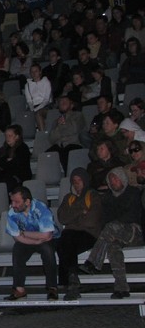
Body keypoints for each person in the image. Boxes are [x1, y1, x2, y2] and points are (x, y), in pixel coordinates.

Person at [79, 168, 143, 298]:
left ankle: (93, 261)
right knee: (113, 248)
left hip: (134, 233)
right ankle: (121, 288)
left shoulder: (134, 192)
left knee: (112, 226)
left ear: (122, 179)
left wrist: (116, 223)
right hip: (114, 234)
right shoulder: (107, 198)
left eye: (116, 178)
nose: (114, 181)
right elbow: (104, 219)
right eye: (111, 180)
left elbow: (133, 216)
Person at [4, 186, 60, 301]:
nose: (13, 205)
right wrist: (35, 241)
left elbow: (47, 235)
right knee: (17, 249)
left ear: (27, 202)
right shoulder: (12, 212)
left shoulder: (41, 209)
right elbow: (17, 237)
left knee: (48, 250)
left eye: (17, 202)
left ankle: (52, 288)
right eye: (12, 201)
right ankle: (19, 289)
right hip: (31, 240)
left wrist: (24, 233)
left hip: (49, 239)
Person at [56, 168, 103, 300]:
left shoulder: (93, 196)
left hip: (89, 234)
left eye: (79, 180)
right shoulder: (68, 198)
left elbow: (91, 221)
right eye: (74, 181)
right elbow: (62, 218)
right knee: (65, 241)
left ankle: (67, 281)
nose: (76, 184)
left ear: (85, 181)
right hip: (71, 235)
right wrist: (81, 211)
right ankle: (72, 280)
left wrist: (73, 219)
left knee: (65, 241)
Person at [46, 95, 85, 171]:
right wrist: (59, 127)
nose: (62, 103)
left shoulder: (78, 115)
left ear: (72, 105)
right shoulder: (56, 121)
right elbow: (51, 138)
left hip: (73, 144)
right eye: (61, 102)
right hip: (59, 146)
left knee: (66, 154)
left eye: (65, 102)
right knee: (46, 156)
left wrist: (62, 126)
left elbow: (74, 129)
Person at [0, 125, 32, 193]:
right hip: (7, 174)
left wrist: (5, 162)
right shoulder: (5, 148)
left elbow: (16, 165)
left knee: (8, 182)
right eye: (6, 136)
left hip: (20, 176)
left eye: (10, 136)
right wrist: (7, 161)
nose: (7, 138)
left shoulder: (23, 148)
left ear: (17, 137)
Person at [24, 63, 52, 131]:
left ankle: (42, 134)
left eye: (36, 71)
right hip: (33, 106)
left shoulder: (46, 82)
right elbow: (29, 100)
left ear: (40, 72)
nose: (34, 73)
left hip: (46, 106)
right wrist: (32, 109)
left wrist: (36, 109)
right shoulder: (27, 85)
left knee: (38, 113)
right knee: (25, 116)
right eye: (32, 72)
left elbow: (46, 99)